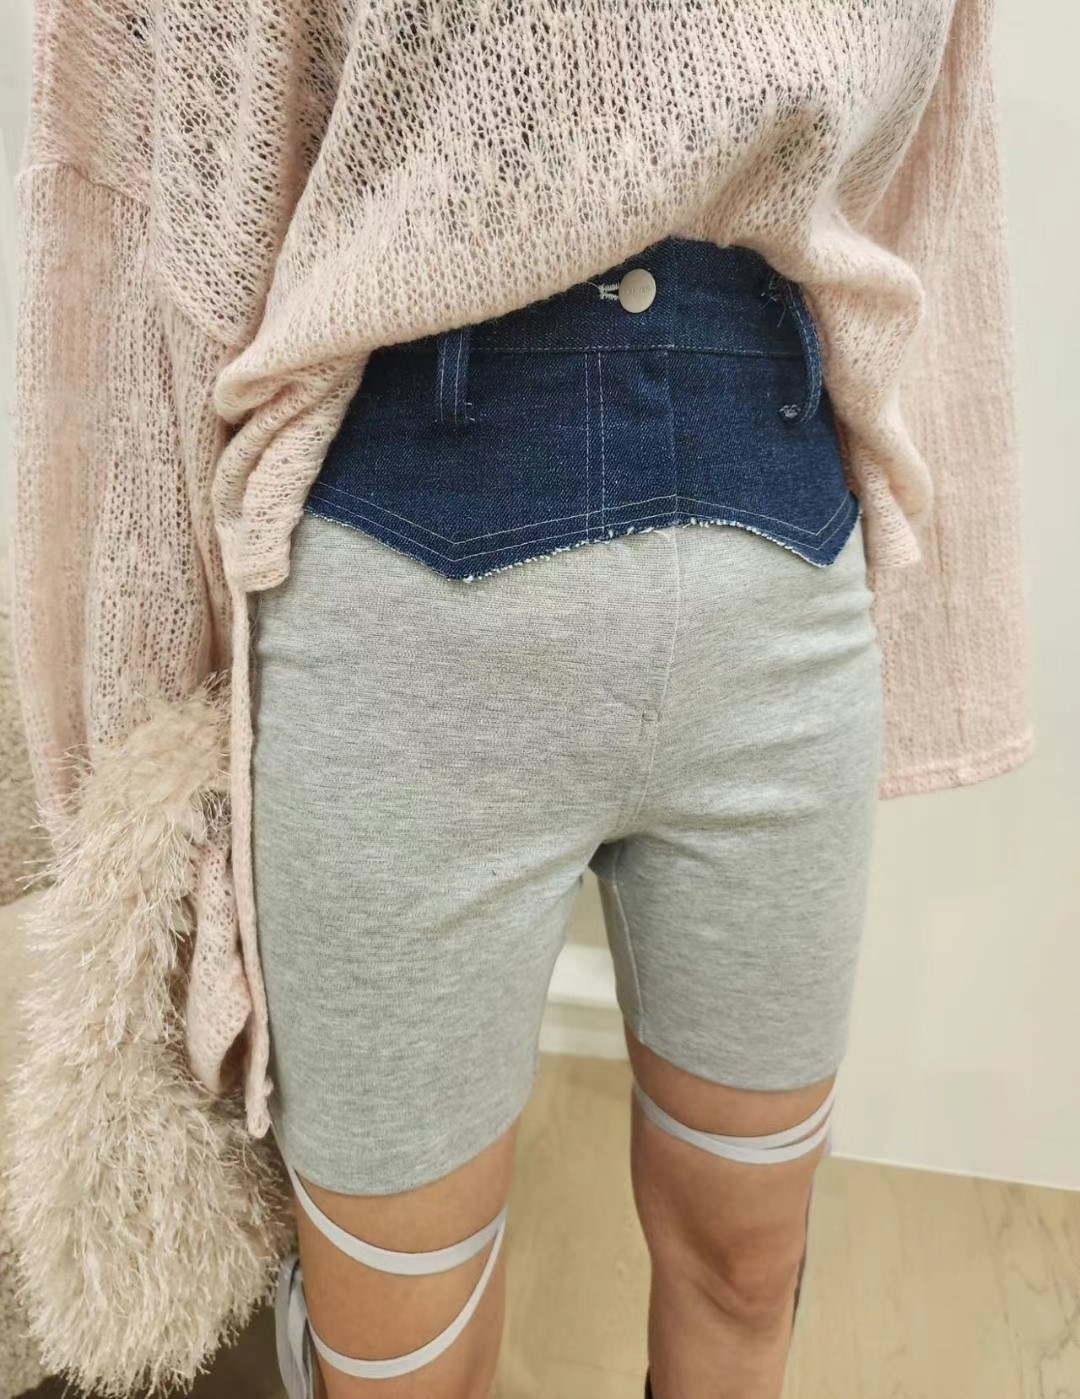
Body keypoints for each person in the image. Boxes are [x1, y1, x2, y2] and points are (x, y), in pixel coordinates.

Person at [7, 3, 1033, 1399]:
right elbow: (141, 187)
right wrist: (129, 720)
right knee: (401, 1356)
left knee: (747, 1265)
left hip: (781, 581)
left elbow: (930, 185)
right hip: (407, 612)